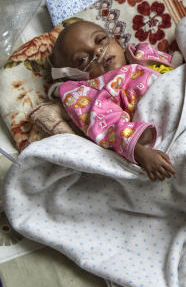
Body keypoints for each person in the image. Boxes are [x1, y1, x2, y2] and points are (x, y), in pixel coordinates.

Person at [49, 19, 178, 181]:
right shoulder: (95, 92)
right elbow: (110, 125)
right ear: (76, 76)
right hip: (165, 128)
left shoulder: (140, 54)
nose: (97, 52)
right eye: (83, 59)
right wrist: (139, 152)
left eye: (101, 40)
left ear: (115, 40)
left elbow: (176, 67)